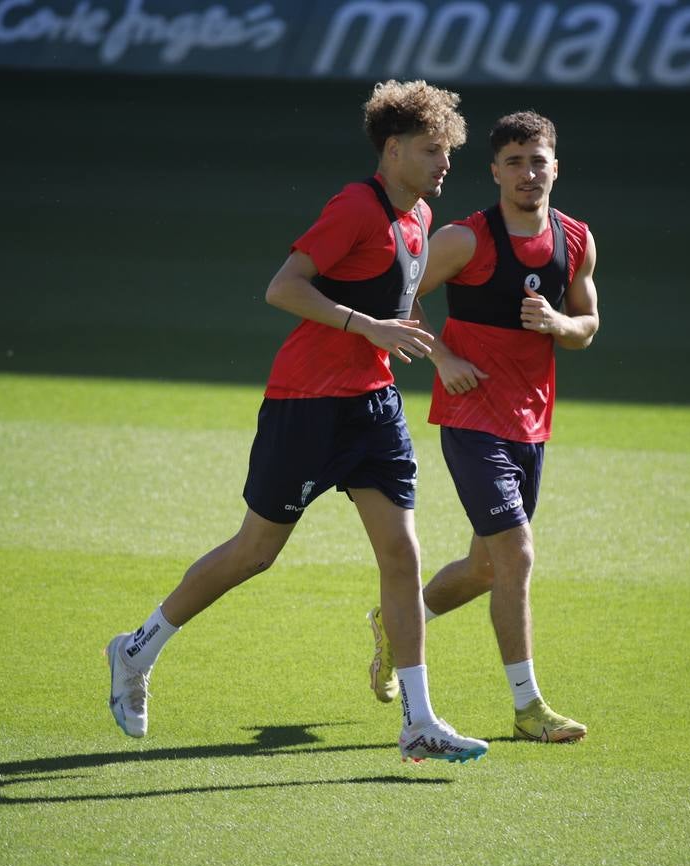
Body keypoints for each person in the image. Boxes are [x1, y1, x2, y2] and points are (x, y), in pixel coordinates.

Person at [107, 80, 488, 764]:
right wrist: (365, 325)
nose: (444, 163)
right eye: (431, 150)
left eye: (448, 151)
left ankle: (419, 721)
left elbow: (402, 306)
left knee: (402, 554)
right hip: (307, 402)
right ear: (393, 149)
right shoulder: (356, 207)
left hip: (374, 407)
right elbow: (283, 287)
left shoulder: (420, 219)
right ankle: (137, 650)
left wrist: (438, 355)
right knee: (255, 552)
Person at [366, 111, 599, 743]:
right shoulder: (464, 239)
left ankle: (397, 621)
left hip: (531, 423)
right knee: (517, 554)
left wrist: (558, 323)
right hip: (471, 418)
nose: (528, 173)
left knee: (486, 568)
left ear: (556, 167)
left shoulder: (576, 239)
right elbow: (400, 295)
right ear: (495, 171)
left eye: (538, 161)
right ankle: (528, 708)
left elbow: (587, 325)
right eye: (515, 162)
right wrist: (442, 357)